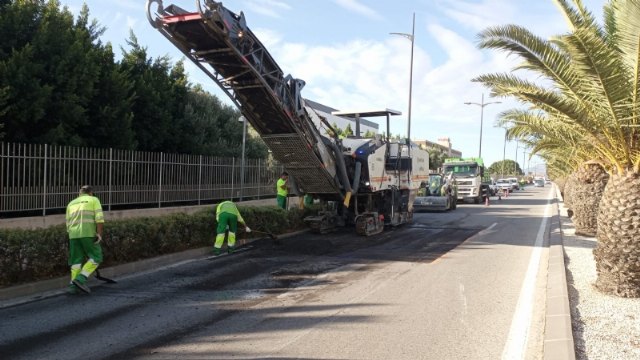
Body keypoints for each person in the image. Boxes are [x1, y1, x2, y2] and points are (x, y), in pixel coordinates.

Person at [66, 185, 104, 294]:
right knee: (96, 257)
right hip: (88, 233)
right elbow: (99, 219)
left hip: (73, 235)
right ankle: (80, 279)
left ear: (80, 193)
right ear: (91, 193)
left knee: (76, 261)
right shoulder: (94, 200)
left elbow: (68, 223)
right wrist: (99, 235)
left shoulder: (71, 203)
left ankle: (73, 286)